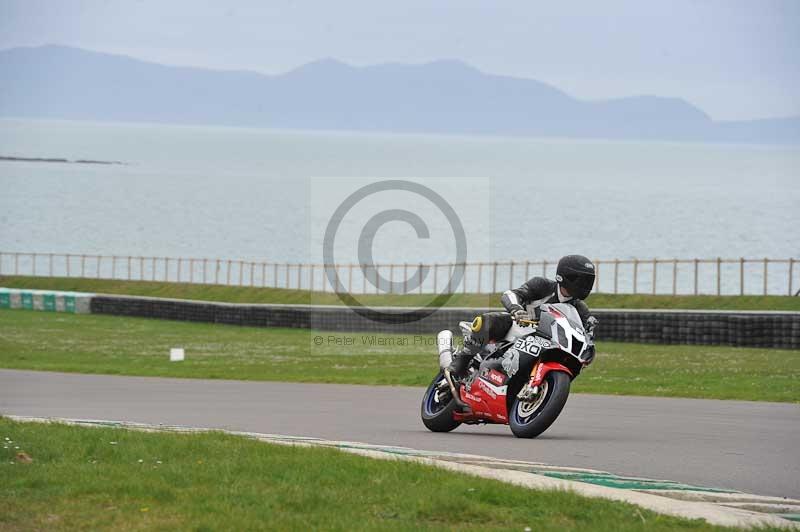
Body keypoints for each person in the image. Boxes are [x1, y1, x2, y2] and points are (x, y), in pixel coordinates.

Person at [447, 254, 599, 378]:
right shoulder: (542, 285)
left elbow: (586, 328)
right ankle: (459, 364)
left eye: (588, 281)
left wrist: (590, 332)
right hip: (518, 328)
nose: (585, 285)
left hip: (546, 342)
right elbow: (511, 294)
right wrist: (516, 309)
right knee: (486, 321)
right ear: (565, 276)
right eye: (581, 280)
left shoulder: (579, 308)